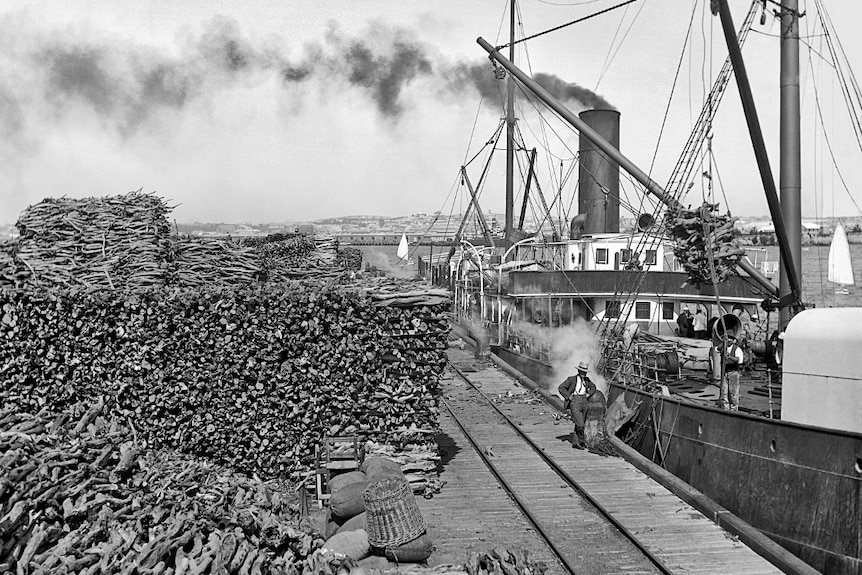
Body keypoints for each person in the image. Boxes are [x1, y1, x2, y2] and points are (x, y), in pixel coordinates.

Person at [558, 361, 592, 449]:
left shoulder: (587, 380)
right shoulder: (571, 379)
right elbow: (561, 388)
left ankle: (576, 443)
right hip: (575, 401)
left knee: (580, 422)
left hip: (584, 401)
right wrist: (568, 397)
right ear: (579, 371)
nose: (584, 374)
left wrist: (589, 394)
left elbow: (593, 387)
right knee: (580, 424)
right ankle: (581, 440)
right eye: (582, 372)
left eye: (585, 372)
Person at [719, 335, 745, 410]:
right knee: (724, 392)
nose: (729, 341)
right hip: (724, 372)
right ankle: (725, 408)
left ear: (733, 341)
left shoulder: (737, 349)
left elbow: (738, 360)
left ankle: (733, 409)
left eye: (730, 339)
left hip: (733, 372)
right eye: (727, 339)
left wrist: (730, 357)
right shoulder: (723, 348)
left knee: (733, 392)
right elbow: (717, 349)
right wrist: (723, 343)